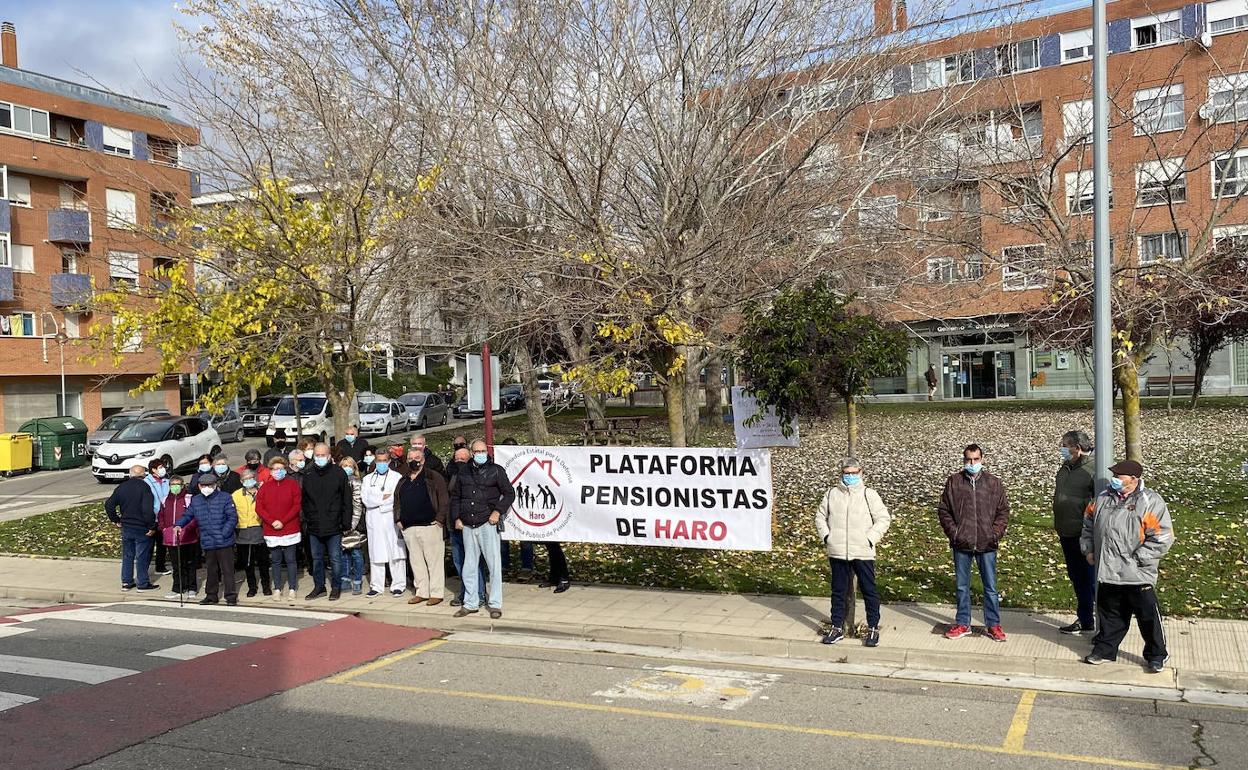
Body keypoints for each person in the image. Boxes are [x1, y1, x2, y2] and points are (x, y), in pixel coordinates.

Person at [1082, 460, 1175, 673]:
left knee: (1147, 616)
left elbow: (1163, 537)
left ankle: (1157, 654)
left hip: (1137, 573)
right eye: (1114, 475)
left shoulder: (1150, 502)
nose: (1114, 479)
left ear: (1134, 479)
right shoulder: (1102, 499)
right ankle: (1105, 649)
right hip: (1108, 571)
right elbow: (1088, 524)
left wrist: (1139, 558)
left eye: (1119, 476)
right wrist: (1088, 550)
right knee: (1110, 614)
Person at [937, 444, 1009, 642]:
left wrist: (994, 534)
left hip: (987, 544)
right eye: (969, 459)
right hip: (962, 543)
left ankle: (993, 625)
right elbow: (944, 510)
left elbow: (1003, 511)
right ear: (963, 460)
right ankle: (962, 623)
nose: (972, 463)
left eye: (976, 459)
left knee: (990, 587)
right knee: (962, 586)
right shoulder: (954, 482)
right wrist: (955, 533)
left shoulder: (994, 483)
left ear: (982, 459)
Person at [815, 457, 890, 647]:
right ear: (841, 473)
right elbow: (820, 517)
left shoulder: (869, 494)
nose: (850, 476)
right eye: (846, 473)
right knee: (838, 591)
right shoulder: (832, 494)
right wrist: (827, 537)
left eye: (853, 473)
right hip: (838, 550)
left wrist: (870, 538)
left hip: (862, 551)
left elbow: (883, 519)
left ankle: (873, 627)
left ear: (861, 473)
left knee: (869, 590)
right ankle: (837, 626)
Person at [449, 439, 515, 619]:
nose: (480, 454)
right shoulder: (463, 472)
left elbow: (510, 493)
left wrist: (498, 511)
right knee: (469, 566)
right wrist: (457, 517)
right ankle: (470, 603)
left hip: (487, 523)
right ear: (471, 452)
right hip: (468, 524)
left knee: (494, 565)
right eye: (477, 451)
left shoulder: (496, 470)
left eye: (483, 451)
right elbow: (456, 497)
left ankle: (495, 604)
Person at [1054, 430, 1097, 635]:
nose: (1062, 449)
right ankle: (1086, 618)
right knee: (1076, 577)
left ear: (1077, 448)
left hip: (1083, 534)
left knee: (1087, 578)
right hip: (1066, 531)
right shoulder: (1066, 467)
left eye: (1065, 445)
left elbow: (1098, 502)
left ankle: (1093, 618)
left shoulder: (1092, 469)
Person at [174, 472, 239, 606]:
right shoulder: (196, 500)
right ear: (199, 486)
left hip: (224, 540)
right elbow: (188, 514)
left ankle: (231, 596)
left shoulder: (225, 497)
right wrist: (179, 524)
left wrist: (224, 533)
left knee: (227, 570)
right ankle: (211, 595)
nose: (206, 488)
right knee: (211, 570)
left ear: (215, 485)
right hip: (208, 540)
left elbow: (232, 518)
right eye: (203, 485)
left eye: (209, 485)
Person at [395, 444, 448, 605]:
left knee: (434, 561)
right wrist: (398, 519)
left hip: (430, 526)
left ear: (423, 460)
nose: (413, 461)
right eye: (410, 458)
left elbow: (444, 499)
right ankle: (422, 591)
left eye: (416, 459)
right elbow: (397, 501)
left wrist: (440, 519)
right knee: (416, 562)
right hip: (409, 527)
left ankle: (436, 593)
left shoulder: (433, 476)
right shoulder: (403, 480)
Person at [301, 442, 352, 600]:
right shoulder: (308, 474)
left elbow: (346, 500)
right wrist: (308, 520)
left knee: (335, 558)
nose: (320, 458)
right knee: (316, 559)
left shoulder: (339, 473)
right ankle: (319, 586)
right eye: (317, 455)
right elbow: (305, 501)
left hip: (334, 525)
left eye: (323, 455)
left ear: (329, 456)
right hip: (314, 525)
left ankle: (336, 587)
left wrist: (345, 523)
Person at [360, 449, 407, 597]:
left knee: (396, 553)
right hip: (374, 520)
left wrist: (379, 501)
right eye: (378, 461)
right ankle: (376, 586)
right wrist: (383, 498)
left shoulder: (396, 477)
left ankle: (398, 585)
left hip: (391, 520)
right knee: (376, 553)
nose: (381, 464)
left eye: (384, 461)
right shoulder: (368, 479)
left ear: (388, 461)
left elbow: (396, 499)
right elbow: (366, 500)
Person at [106, 464, 159, 592]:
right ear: (144, 475)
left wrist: (116, 520)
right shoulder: (144, 487)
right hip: (141, 527)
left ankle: (126, 581)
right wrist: (151, 526)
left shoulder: (122, 487)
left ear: (130, 474)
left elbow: (109, 505)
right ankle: (142, 583)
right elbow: (147, 509)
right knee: (142, 556)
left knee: (127, 555)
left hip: (127, 526)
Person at [257, 457, 302, 601]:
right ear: (270, 471)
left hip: (289, 527)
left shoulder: (292, 484)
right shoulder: (264, 487)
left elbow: (296, 505)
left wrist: (283, 521)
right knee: (275, 560)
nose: (278, 471)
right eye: (275, 469)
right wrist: (271, 522)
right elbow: (259, 508)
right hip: (271, 529)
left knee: (290, 559)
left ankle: (292, 588)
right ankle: (277, 588)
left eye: (281, 469)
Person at [446, 447, 486, 607]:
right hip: (454, 525)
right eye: (457, 458)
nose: (459, 461)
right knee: (459, 562)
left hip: (471, 524)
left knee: (474, 561)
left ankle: (480, 593)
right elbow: (453, 500)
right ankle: (465, 592)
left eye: (463, 459)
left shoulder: (475, 475)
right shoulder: (453, 474)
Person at [233, 468, 271, 598]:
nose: (248, 481)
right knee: (248, 563)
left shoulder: (262, 491)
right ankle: (252, 587)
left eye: (250, 478)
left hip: (259, 529)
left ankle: (266, 586)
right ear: (241, 481)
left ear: (255, 479)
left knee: (263, 562)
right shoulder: (236, 495)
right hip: (243, 531)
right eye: (245, 479)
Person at [157, 475, 197, 599]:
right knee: (177, 565)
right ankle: (178, 587)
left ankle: (192, 587)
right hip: (171, 538)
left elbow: (194, 516)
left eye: (177, 485)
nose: (175, 487)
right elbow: (161, 516)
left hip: (188, 536)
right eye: (172, 485)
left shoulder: (189, 499)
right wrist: (164, 529)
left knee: (190, 563)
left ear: (182, 485)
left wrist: (187, 528)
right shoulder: (165, 500)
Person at [340, 456, 367, 595]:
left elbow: (357, 505)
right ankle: (344, 578)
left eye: (349, 465)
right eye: (344, 465)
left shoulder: (356, 482)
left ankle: (357, 580)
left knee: (356, 553)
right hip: (341, 523)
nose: (346, 468)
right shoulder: (338, 481)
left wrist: (351, 525)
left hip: (354, 524)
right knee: (344, 553)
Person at [144, 458, 171, 576]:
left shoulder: (166, 481)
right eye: (160, 467)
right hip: (152, 517)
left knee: (162, 544)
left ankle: (160, 566)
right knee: (148, 546)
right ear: (153, 470)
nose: (163, 469)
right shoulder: (146, 482)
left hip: (164, 517)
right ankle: (144, 569)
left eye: (163, 467)